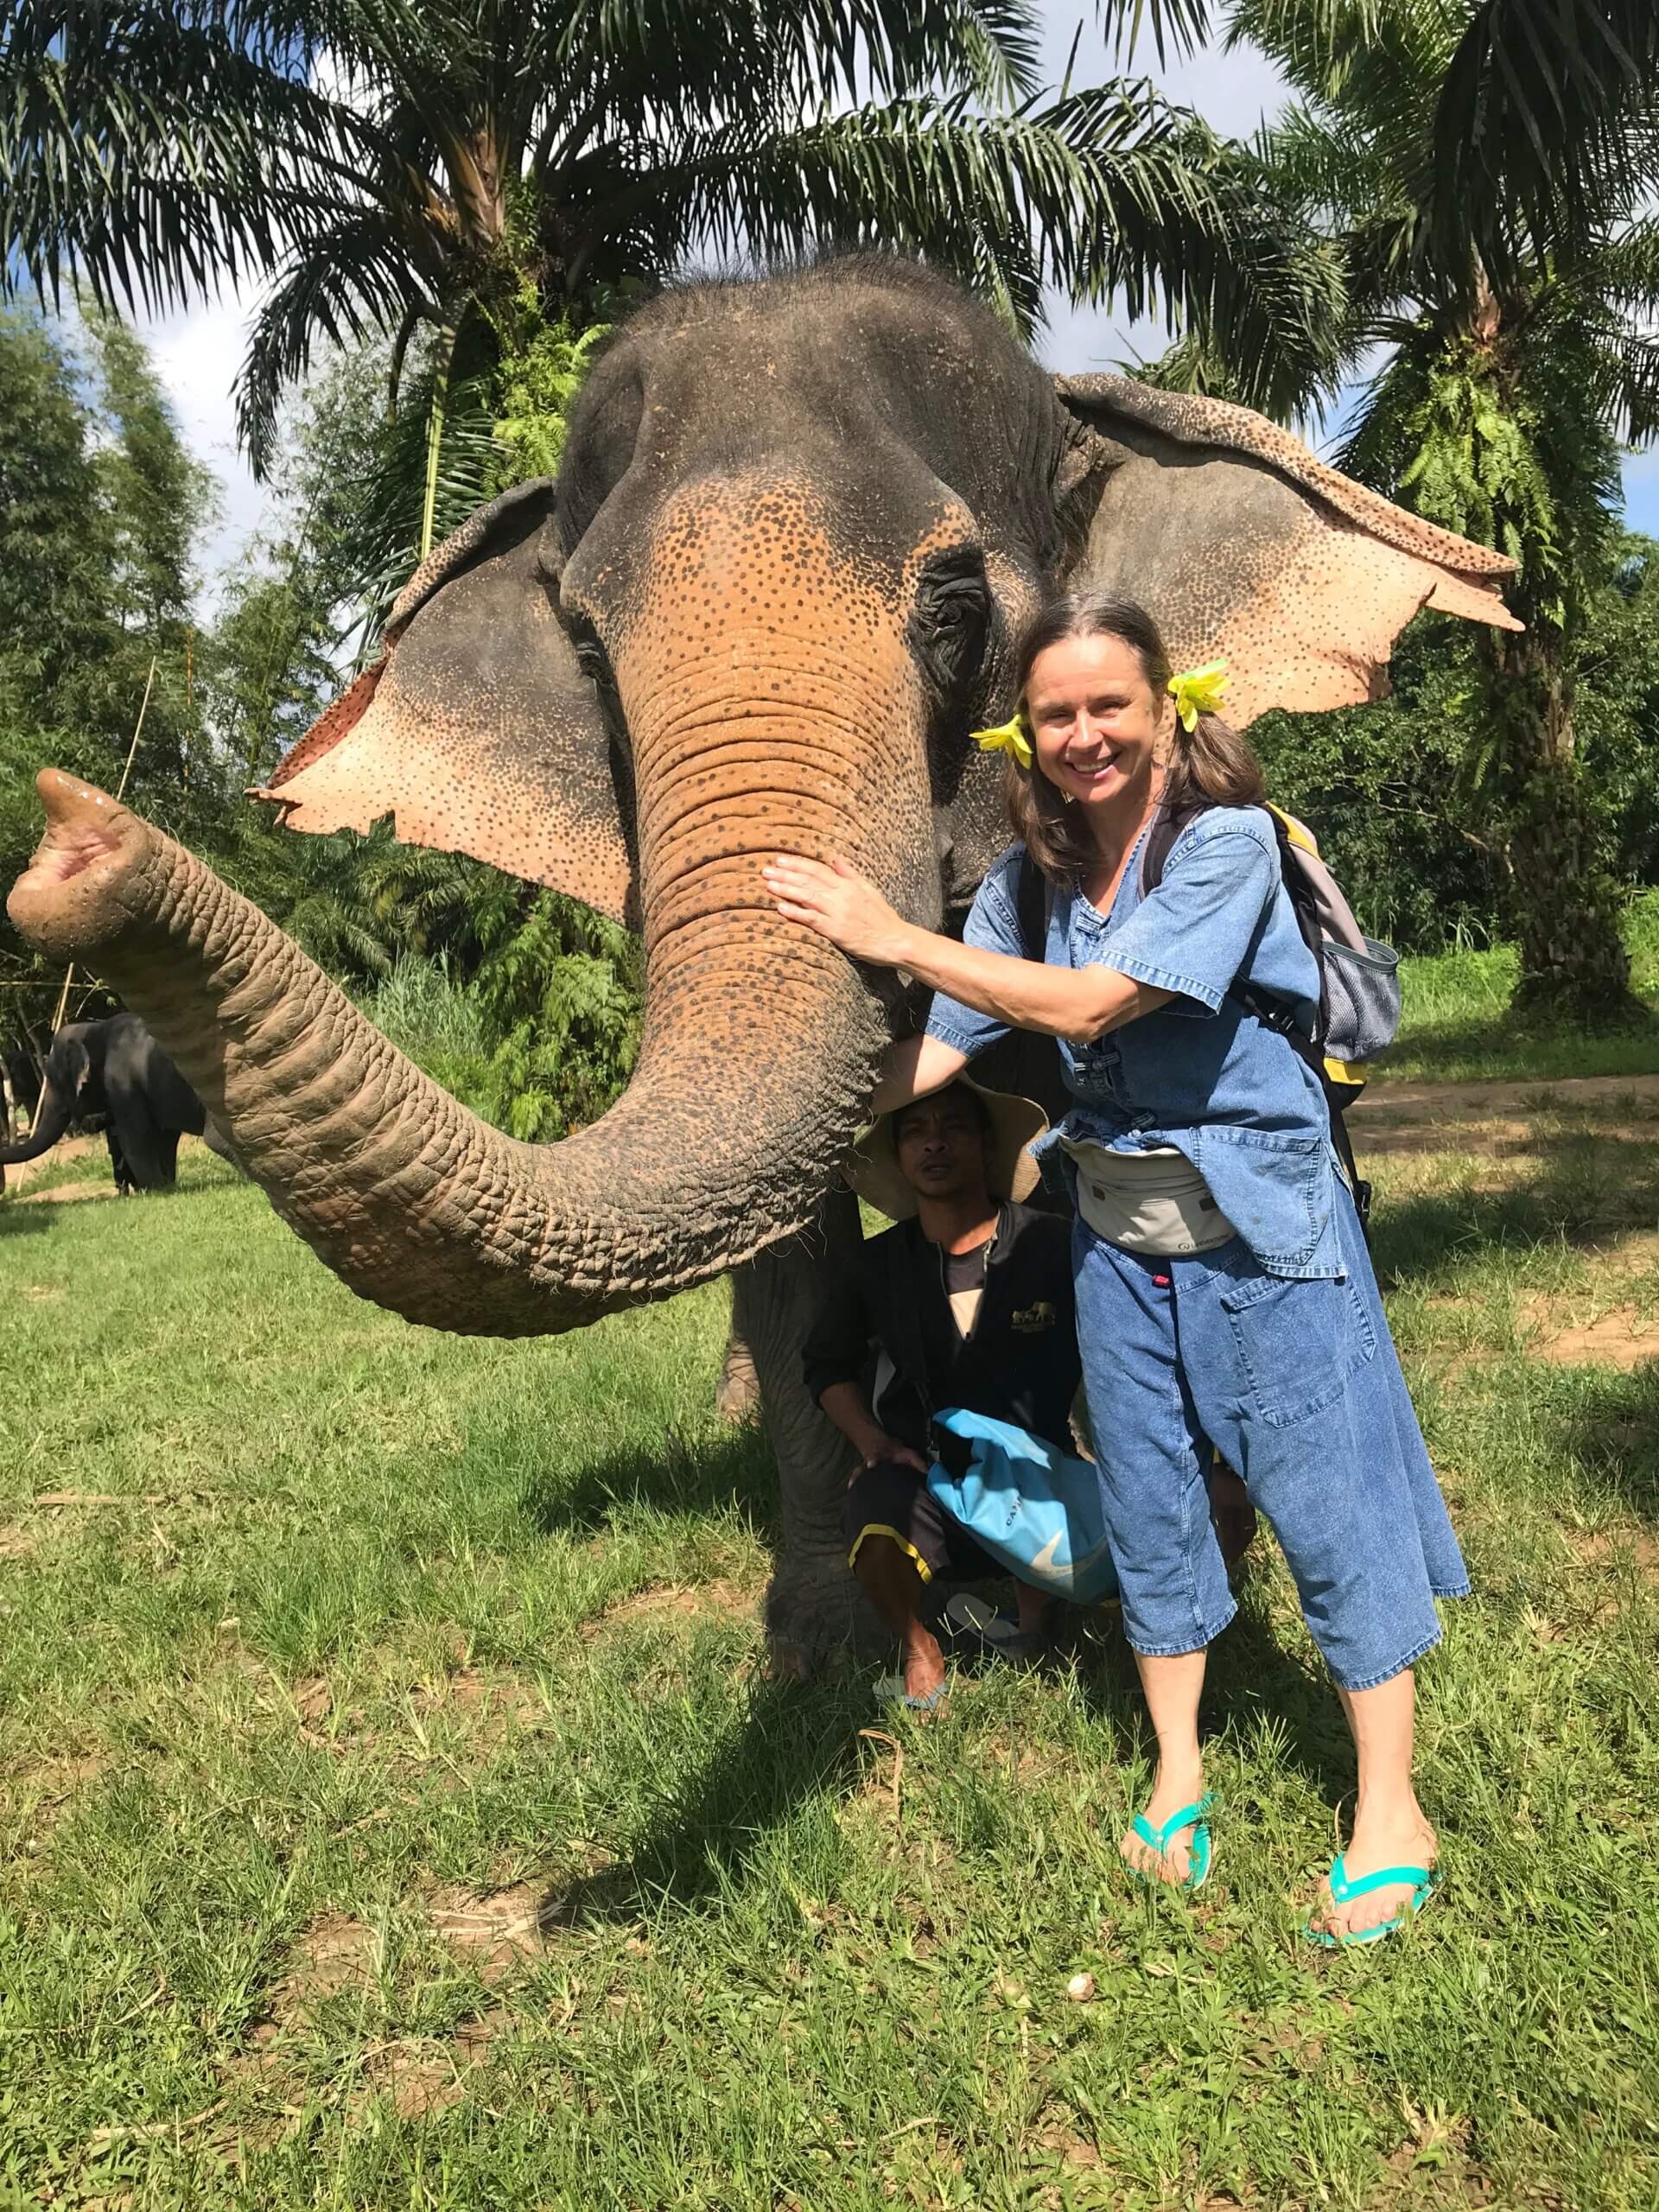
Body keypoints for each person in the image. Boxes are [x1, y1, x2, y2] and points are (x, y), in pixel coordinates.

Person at [765, 592, 1468, 1946]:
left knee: (1323, 1503)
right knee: (1150, 1504)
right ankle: (1179, 1772)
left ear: (1165, 714)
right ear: (1023, 738)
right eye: (1055, 715)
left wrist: (895, 936)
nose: (1083, 736)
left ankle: (1392, 1810)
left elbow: (1094, 1006)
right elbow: (950, 1049)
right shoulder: (1025, 885)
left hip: (1260, 1230)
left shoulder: (1227, 846)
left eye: (1109, 707)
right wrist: (798, 1121)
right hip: (1120, 1245)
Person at [804, 1078, 1077, 1712]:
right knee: (870, 1506)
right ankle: (919, 1649)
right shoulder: (878, 1266)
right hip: (929, 1481)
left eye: (952, 1127)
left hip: (1042, 1488)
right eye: (916, 1132)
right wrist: (872, 1444)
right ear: (899, 1156)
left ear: (986, 1145)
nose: (934, 1144)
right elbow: (824, 1365)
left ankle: (1036, 1628)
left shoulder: (1052, 1246)